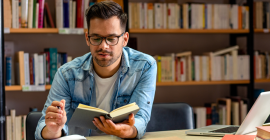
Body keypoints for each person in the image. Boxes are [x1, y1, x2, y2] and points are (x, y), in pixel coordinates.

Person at [35, 1, 157, 139]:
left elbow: (141, 119)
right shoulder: (66, 74)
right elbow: (43, 129)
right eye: (96, 38)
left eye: (111, 39)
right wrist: (54, 130)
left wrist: (124, 131)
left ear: (125, 39)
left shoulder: (145, 66)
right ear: (87, 38)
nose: (103, 46)